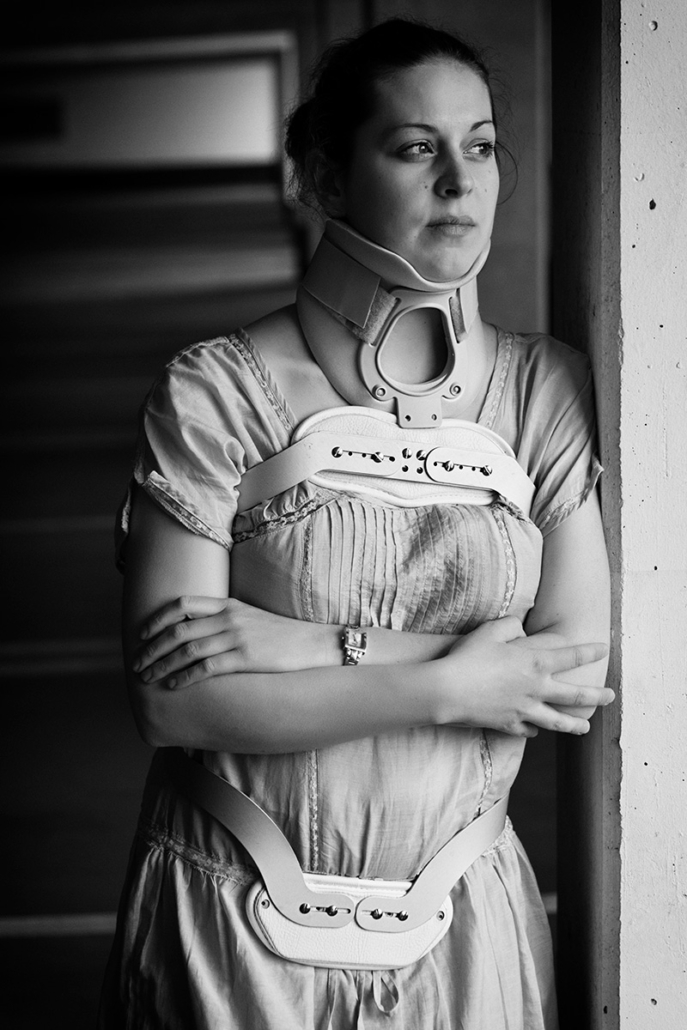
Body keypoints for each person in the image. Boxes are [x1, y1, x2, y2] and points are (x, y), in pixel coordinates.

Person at [99, 18, 612, 1030]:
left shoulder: (543, 388)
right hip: (230, 925)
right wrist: (453, 684)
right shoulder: (215, 390)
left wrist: (309, 644)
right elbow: (172, 703)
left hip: (463, 929)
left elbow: (570, 671)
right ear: (329, 179)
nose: (459, 182)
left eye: (480, 146)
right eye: (416, 148)